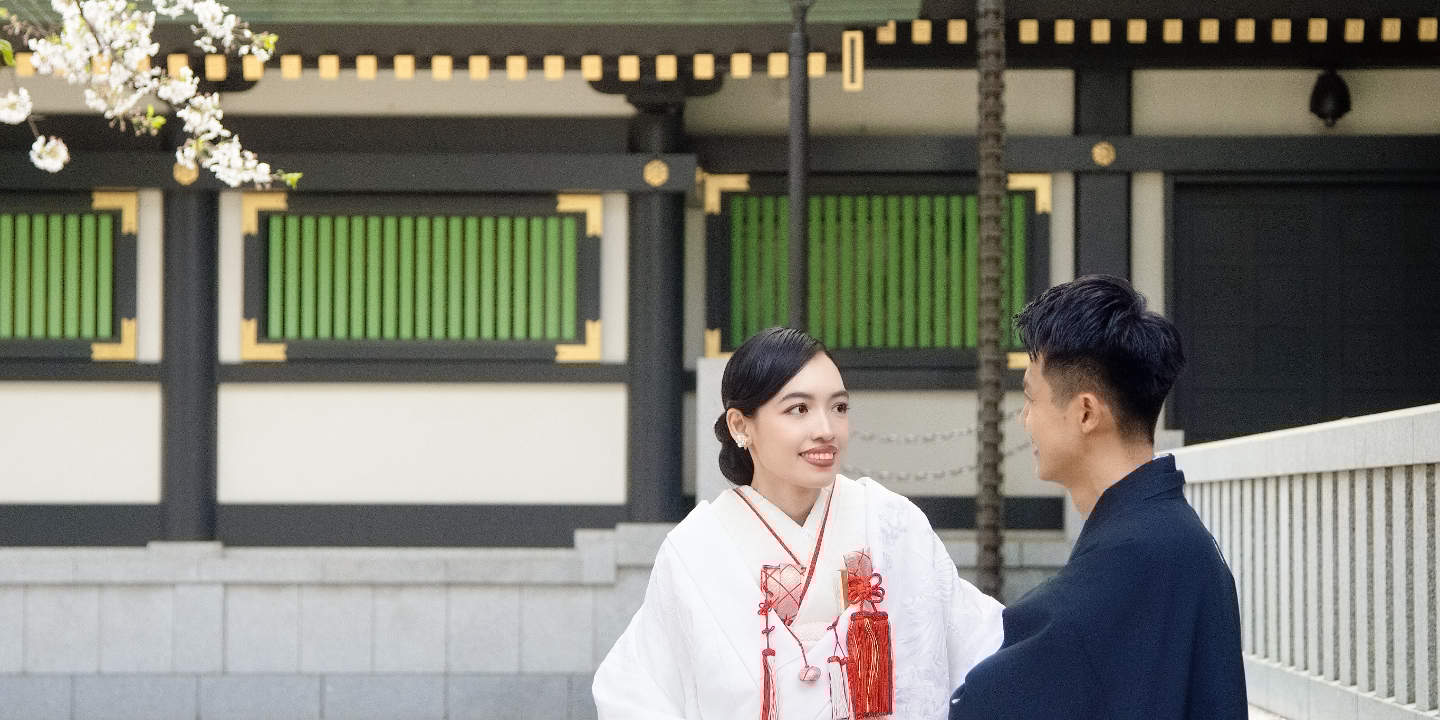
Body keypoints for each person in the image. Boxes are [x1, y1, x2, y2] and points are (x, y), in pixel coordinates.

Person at [595, 326, 1004, 720]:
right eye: (799, 409)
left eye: (839, 407)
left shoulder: (891, 524)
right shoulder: (696, 550)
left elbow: (982, 643)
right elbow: (636, 693)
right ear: (740, 426)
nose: (826, 430)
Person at [948, 275, 1247, 720]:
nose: (1024, 418)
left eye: (1032, 398)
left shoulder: (1136, 555)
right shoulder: (1165, 535)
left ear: (1085, 412)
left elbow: (985, 698)